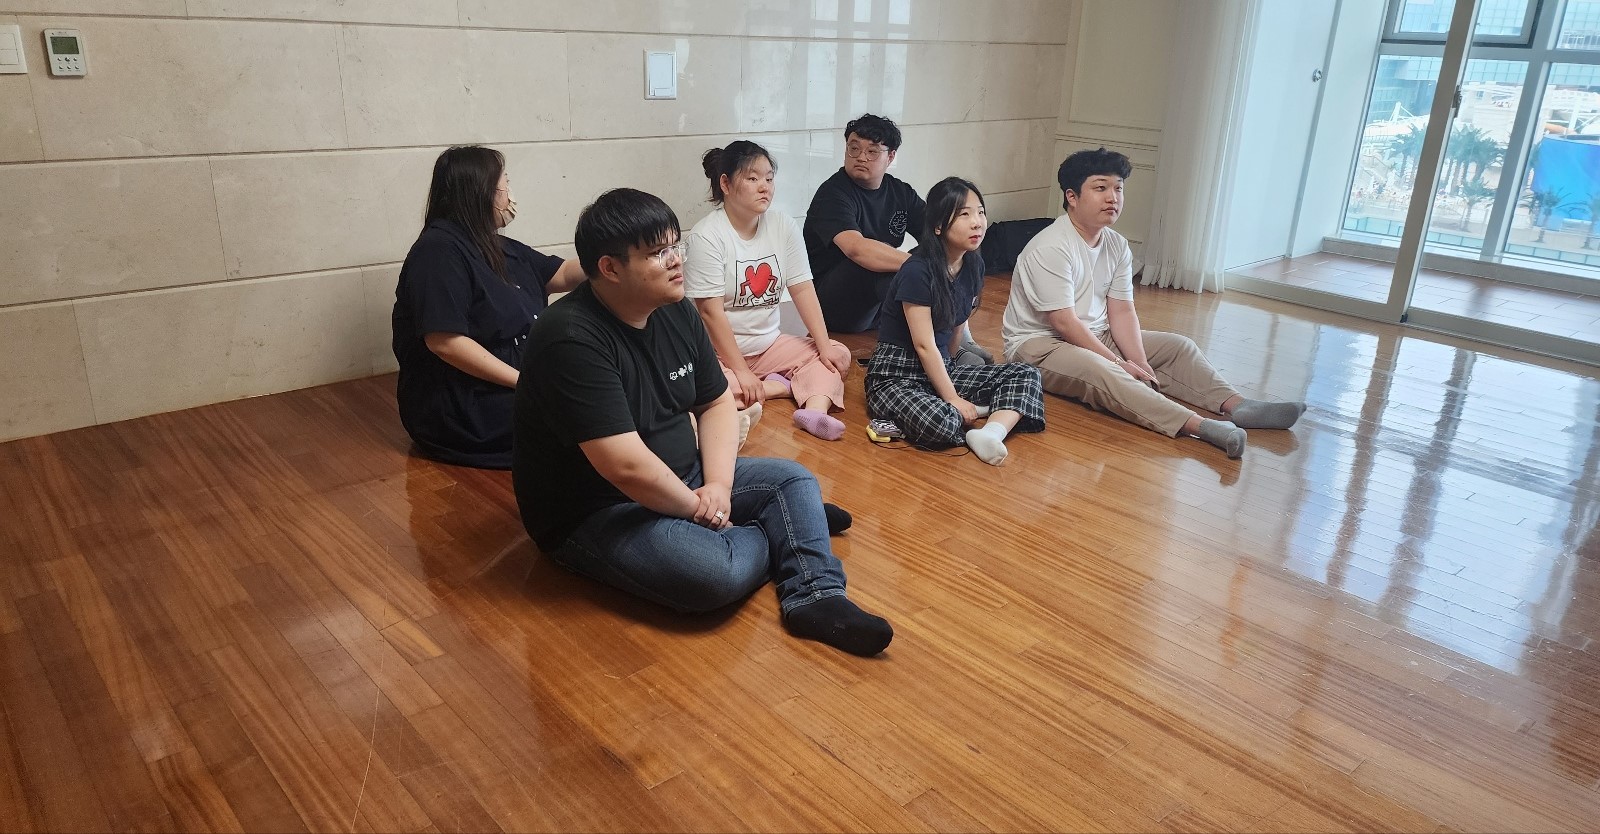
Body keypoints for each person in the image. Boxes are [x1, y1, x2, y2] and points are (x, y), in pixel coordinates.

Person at [511, 188, 893, 657]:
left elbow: (715, 403)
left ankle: (816, 596)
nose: (677, 260)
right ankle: (788, 527)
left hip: (685, 475)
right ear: (609, 268)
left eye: (676, 245)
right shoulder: (570, 338)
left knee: (795, 479)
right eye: (658, 252)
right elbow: (623, 465)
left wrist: (716, 486)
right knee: (713, 575)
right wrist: (701, 509)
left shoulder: (675, 309)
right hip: (600, 509)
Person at [1001, 148, 1306, 459]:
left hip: (1095, 334)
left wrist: (1139, 361)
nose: (1113, 198)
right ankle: (1200, 426)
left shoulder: (1117, 245)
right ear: (1072, 197)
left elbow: (1122, 310)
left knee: (1178, 347)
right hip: (1039, 346)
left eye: (1118, 188)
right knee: (1103, 370)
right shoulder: (1051, 247)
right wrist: (1118, 363)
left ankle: (1237, 406)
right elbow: (1063, 321)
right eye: (1101, 188)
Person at [391, 145, 587, 469]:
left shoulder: (496, 245)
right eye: (505, 184)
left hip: (515, 381)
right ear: (481, 193)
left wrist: (613, 258)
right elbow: (445, 342)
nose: (510, 195)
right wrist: (525, 383)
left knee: (608, 390)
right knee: (588, 414)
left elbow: (563, 274)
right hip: (465, 403)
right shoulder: (438, 252)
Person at [864, 177, 1045, 466]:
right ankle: (979, 412)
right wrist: (952, 397)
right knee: (940, 421)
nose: (977, 223)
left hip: (939, 368)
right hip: (895, 375)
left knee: (1026, 374)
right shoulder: (917, 270)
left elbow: (954, 333)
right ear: (938, 226)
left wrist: (949, 382)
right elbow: (924, 346)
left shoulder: (973, 264)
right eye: (964, 214)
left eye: (980, 212)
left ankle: (991, 433)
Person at [685, 140, 852, 442]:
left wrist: (824, 345)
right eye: (752, 179)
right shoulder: (706, 237)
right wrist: (741, 370)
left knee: (837, 353)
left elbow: (803, 288)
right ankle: (779, 387)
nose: (765, 187)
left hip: (770, 346)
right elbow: (710, 313)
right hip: (718, 355)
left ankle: (814, 412)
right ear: (725, 184)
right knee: (692, 388)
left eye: (769, 179)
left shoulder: (782, 225)